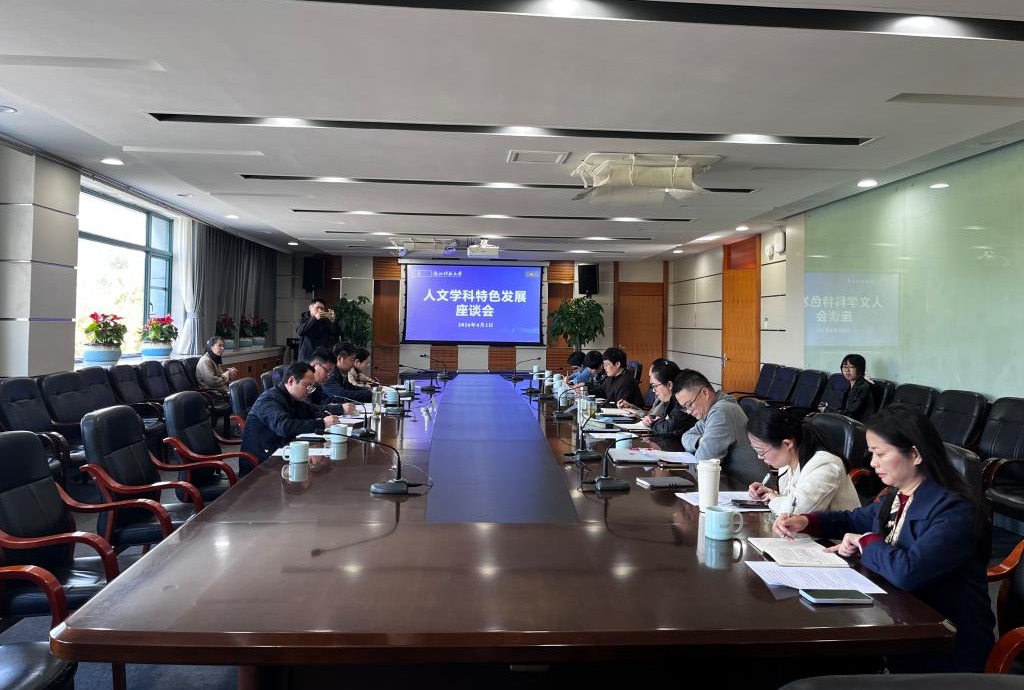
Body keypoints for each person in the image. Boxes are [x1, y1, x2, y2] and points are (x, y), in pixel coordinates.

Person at [773, 405, 994, 673]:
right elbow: (853, 519)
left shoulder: (954, 511)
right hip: (897, 620)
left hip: (942, 645)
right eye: (871, 453)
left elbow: (908, 571)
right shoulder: (898, 495)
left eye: (880, 454)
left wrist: (866, 542)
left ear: (915, 454)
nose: (872, 463)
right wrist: (807, 521)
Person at [746, 406, 860, 514]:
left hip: (838, 529)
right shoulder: (786, 464)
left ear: (787, 444)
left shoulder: (826, 465)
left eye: (761, 451)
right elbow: (793, 501)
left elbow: (795, 511)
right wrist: (770, 494)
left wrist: (772, 498)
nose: (759, 457)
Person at [241, 362, 343, 467]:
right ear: (291, 381)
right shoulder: (268, 400)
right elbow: (284, 427)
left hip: (283, 452)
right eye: (307, 386)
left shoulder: (292, 398)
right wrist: (322, 424)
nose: (309, 392)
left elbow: (312, 410)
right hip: (262, 464)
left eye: (311, 388)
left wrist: (339, 409)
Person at [674, 369, 761, 484]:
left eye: (689, 404)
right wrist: (700, 441)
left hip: (750, 488)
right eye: (685, 408)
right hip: (732, 482)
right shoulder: (711, 409)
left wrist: (703, 444)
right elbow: (686, 436)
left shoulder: (721, 411)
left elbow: (704, 461)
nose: (689, 411)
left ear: (705, 393)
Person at [632, 359, 695, 437]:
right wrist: (652, 419)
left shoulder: (682, 401)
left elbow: (668, 428)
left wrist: (652, 423)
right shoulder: (669, 399)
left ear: (669, 385)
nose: (653, 391)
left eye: (654, 386)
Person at [579, 347, 643, 407]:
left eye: (607, 365)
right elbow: (600, 391)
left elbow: (620, 406)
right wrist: (585, 389)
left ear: (617, 364)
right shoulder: (611, 377)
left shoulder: (626, 382)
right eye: (604, 365)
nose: (604, 368)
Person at [295, 298, 340, 363]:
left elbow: (334, 336)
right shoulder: (303, 319)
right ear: (310, 308)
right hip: (306, 356)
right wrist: (315, 318)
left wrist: (332, 322)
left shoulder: (325, 321)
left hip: (321, 356)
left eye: (322, 308)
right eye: (317, 308)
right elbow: (300, 331)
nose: (320, 310)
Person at [837, 353, 873, 421]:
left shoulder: (863, 387)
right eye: (844, 367)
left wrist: (827, 410)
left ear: (860, 369)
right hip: (847, 421)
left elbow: (850, 413)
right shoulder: (850, 386)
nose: (847, 370)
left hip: (857, 424)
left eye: (851, 367)